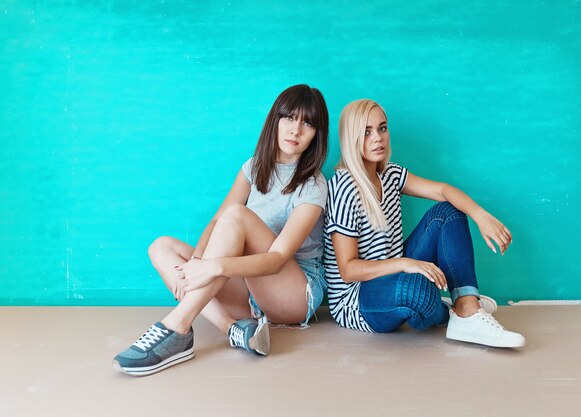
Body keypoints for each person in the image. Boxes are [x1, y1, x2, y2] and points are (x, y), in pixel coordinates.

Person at [113, 84, 329, 376]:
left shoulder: (314, 186)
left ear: (317, 134)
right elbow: (216, 223)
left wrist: (213, 267)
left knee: (237, 216)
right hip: (252, 288)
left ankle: (176, 326)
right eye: (289, 118)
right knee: (162, 247)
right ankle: (234, 330)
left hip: (294, 291)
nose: (296, 130)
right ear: (275, 121)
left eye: (308, 123)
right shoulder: (253, 168)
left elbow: (277, 257)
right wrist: (198, 262)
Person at [323, 99, 525, 348]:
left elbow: (442, 190)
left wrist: (480, 215)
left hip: (395, 272)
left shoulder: (390, 174)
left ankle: (467, 308)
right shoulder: (343, 187)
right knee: (417, 290)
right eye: (366, 132)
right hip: (359, 298)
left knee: (449, 211)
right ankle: (454, 308)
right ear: (350, 138)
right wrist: (408, 264)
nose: (377, 138)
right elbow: (348, 270)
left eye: (382, 128)